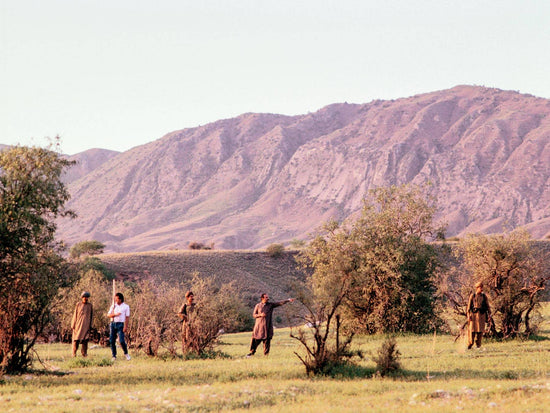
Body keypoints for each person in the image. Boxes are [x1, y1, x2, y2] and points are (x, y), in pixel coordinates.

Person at [467, 281, 491, 349]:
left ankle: (478, 346)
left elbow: (487, 306)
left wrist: (489, 315)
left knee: (480, 332)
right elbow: (468, 307)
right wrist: (468, 316)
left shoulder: (484, 296)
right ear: (477, 288)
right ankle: (469, 345)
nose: (481, 289)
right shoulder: (473, 296)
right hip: (473, 316)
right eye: (480, 288)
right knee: (472, 331)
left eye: (482, 288)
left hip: (481, 316)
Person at [107, 292, 131, 361]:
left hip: (120, 324)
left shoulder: (126, 306)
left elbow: (127, 317)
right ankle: (114, 356)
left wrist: (125, 326)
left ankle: (126, 353)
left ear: (120, 299)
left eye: (116, 299)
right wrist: (115, 314)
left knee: (121, 341)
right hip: (113, 324)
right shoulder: (113, 306)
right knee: (111, 340)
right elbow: (108, 315)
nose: (115, 300)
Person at [71, 291, 93, 357]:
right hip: (78, 325)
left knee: (85, 340)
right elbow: (75, 314)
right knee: (76, 340)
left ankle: (84, 353)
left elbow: (91, 316)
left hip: (86, 326)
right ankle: (74, 353)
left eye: (87, 297)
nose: (85, 298)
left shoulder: (90, 305)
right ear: (82, 297)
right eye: (84, 297)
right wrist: (73, 324)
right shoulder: (78, 305)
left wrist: (90, 325)